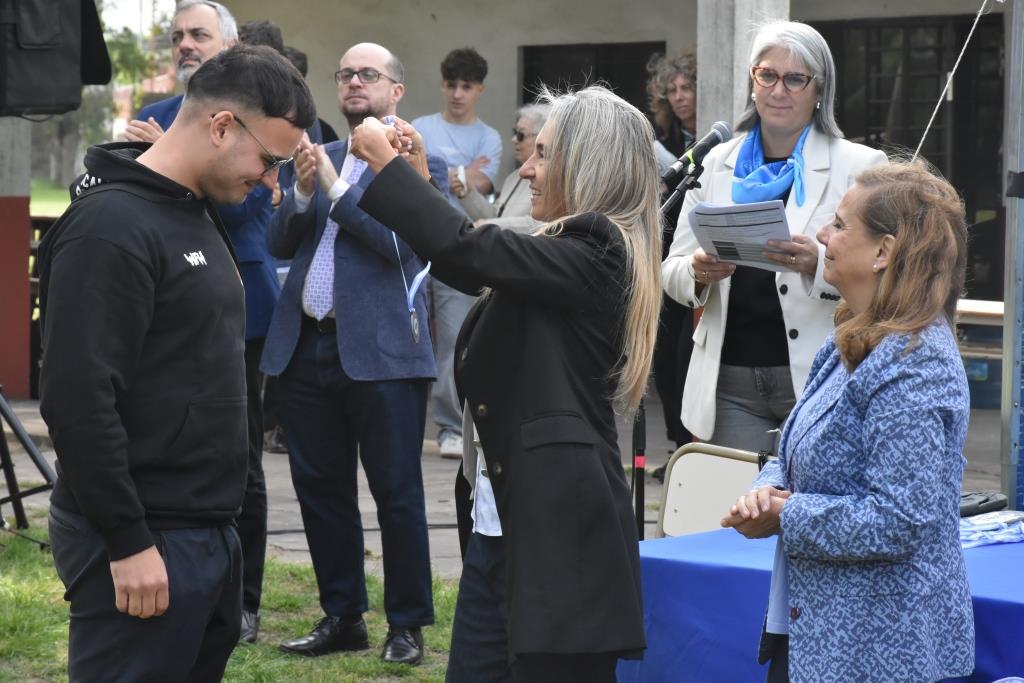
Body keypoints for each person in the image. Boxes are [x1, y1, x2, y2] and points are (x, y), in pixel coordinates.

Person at [351, 83, 659, 683]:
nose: (527, 170)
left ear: (587, 166)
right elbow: (471, 256)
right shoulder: (563, 254)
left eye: (543, 154)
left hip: (561, 537)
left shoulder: (600, 255)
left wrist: (389, 171)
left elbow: (470, 253)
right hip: (502, 523)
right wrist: (420, 181)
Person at [38, 44, 314, 681]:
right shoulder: (109, 227)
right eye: (269, 161)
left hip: (205, 532)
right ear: (221, 126)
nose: (270, 181)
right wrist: (128, 540)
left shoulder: (196, 211)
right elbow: (78, 401)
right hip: (144, 540)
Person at [721, 160, 975, 682]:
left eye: (839, 225)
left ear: (884, 252)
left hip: (876, 651)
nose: (822, 235)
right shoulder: (852, 338)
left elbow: (899, 519)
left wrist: (786, 515)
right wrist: (765, 492)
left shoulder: (916, 362)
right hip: (818, 635)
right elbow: (796, 451)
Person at [261, 42, 446, 666]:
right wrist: (302, 194)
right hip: (307, 344)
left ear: (397, 90)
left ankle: (407, 625)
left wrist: (336, 189)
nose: (354, 82)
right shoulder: (321, 155)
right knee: (320, 489)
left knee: (397, 492)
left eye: (369, 74)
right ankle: (342, 616)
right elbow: (279, 242)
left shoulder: (419, 161)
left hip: (384, 353)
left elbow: (402, 247)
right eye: (345, 74)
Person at [126, 3, 296, 644]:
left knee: (241, 457)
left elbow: (252, 209)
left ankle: (243, 598)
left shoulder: (264, 116)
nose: (185, 46)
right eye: (177, 36)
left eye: (198, 35)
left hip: (239, 302)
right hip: (166, 306)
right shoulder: (160, 116)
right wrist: (151, 161)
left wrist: (173, 169)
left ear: (229, 46)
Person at [662, 20, 887, 452]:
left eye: (795, 79)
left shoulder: (860, 167)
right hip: (730, 382)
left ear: (820, 90)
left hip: (823, 375)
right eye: (767, 75)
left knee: (809, 494)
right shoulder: (715, 163)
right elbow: (670, 272)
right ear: (753, 82)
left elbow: (886, 273)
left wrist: (818, 265)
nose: (778, 90)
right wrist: (697, 272)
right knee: (737, 497)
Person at [412, 47, 503, 458]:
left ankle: (451, 426)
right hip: (416, 242)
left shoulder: (489, 137)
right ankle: (411, 420)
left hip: (457, 244)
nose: (458, 94)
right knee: (410, 335)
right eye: (451, 85)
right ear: (442, 85)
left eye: (466, 86)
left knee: (453, 338)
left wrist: (441, 172)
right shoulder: (421, 126)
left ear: (480, 89)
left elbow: (480, 186)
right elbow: (416, 177)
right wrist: (463, 171)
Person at [646, 48, 698, 466]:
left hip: (703, 260)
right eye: (673, 90)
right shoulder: (665, 145)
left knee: (689, 357)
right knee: (663, 359)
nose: (680, 97)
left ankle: (694, 450)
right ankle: (678, 446)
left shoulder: (721, 145)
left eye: (687, 88)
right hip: (667, 258)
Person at [448, 103, 549, 235]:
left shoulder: (551, 177)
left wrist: (490, 225)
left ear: (540, 138)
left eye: (520, 135)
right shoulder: (513, 178)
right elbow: (495, 216)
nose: (514, 139)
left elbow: (542, 223)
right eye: (515, 133)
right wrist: (468, 193)